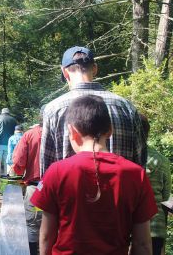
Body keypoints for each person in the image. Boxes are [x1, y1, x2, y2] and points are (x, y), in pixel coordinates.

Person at [31, 95, 157, 255]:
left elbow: (46, 236)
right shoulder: (136, 174)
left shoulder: (56, 172)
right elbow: (142, 243)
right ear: (110, 130)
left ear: (72, 131)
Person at [40, 46, 147, 177]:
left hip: (70, 194)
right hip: (121, 194)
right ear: (95, 68)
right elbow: (140, 161)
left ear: (65, 72)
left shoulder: (53, 109)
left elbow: (46, 168)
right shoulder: (125, 106)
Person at [140, 114, 172, 255]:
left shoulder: (124, 158)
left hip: (129, 229)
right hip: (155, 229)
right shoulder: (162, 160)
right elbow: (166, 198)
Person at [12, 122, 43, 255]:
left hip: (37, 187)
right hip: (62, 189)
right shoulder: (66, 133)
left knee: (32, 224)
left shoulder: (30, 134)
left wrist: (19, 172)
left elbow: (19, 161)